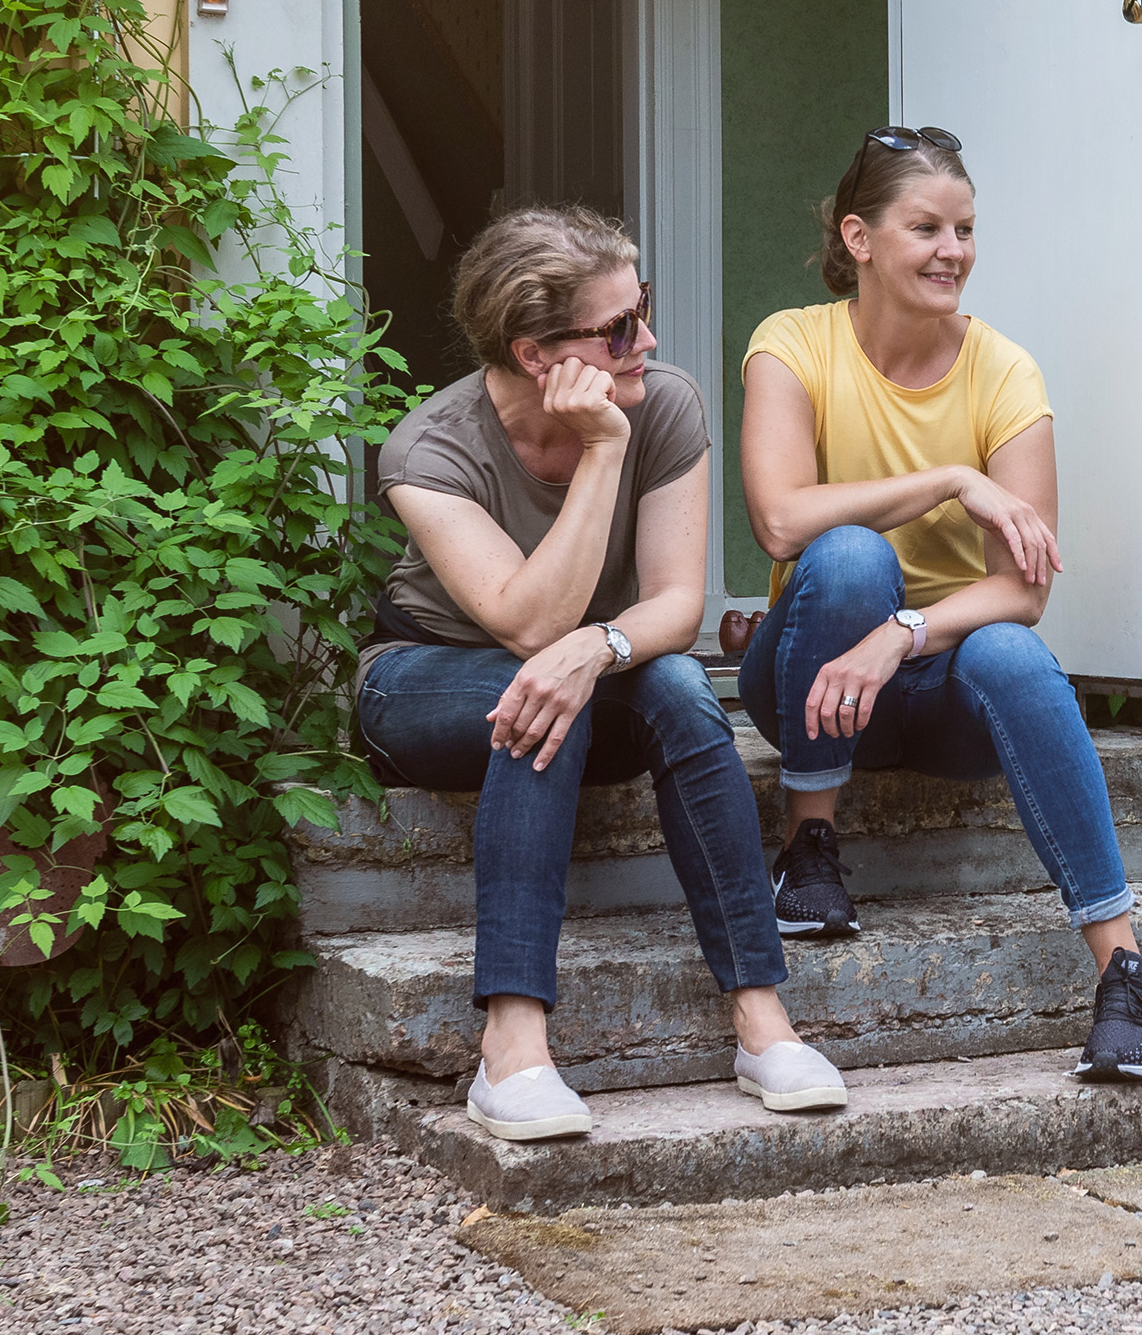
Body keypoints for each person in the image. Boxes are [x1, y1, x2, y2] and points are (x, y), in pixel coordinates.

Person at [355, 205, 846, 1141]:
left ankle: (761, 1015)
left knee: (676, 685)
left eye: (644, 307)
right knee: (543, 698)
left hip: (584, 665)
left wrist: (599, 647)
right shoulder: (429, 449)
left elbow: (673, 606)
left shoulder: (666, 400)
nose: (648, 340)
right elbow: (531, 620)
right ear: (537, 353)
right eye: (620, 327)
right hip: (422, 676)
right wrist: (602, 451)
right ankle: (512, 1045)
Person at [735, 126, 1142, 1081]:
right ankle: (809, 843)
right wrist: (949, 480)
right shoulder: (792, 342)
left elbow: (1025, 586)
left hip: (932, 690)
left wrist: (906, 633)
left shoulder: (1004, 370)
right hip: (809, 676)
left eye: (964, 229)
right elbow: (778, 519)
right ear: (859, 238)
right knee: (848, 558)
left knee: (1012, 653)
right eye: (924, 227)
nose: (952, 251)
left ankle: (1125, 970)